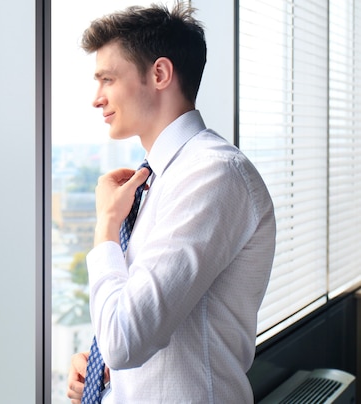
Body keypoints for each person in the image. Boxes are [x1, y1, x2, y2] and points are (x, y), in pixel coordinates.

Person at [66, 3, 276, 403]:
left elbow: (126, 339)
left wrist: (106, 227)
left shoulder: (213, 176)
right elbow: (143, 328)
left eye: (107, 79)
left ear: (160, 74)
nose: (97, 98)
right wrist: (102, 369)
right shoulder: (156, 181)